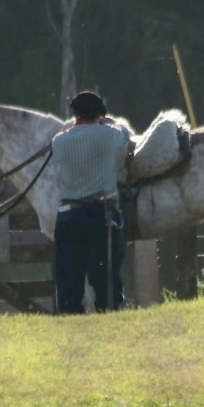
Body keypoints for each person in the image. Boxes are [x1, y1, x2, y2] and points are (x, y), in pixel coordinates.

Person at [51, 90, 131, 314]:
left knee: (69, 276)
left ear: (75, 114)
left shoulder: (59, 141)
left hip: (68, 216)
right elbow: (125, 135)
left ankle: (70, 319)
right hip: (102, 214)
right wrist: (111, 122)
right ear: (99, 114)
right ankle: (108, 316)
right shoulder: (108, 134)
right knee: (105, 275)